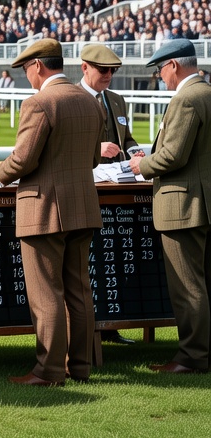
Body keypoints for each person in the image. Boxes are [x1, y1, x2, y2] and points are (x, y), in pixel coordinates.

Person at [0, 38, 103, 386]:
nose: (28, 77)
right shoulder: (89, 101)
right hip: (83, 206)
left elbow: (23, 159)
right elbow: (94, 159)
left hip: (43, 210)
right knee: (79, 290)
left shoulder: (39, 102)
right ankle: (79, 367)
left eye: (27, 70)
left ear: (38, 65)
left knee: (46, 294)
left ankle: (49, 371)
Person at [130, 40, 211, 374]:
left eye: (160, 70)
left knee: (187, 288)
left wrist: (141, 166)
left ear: (174, 65)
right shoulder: (206, 92)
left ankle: (192, 358)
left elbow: (173, 155)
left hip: (182, 204)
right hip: (202, 202)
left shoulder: (187, 98)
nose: (160, 78)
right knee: (202, 284)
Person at [78, 44, 146, 346]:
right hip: (85, 187)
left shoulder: (117, 100)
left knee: (114, 260)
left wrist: (135, 151)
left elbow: (126, 137)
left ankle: (111, 324)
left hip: (117, 187)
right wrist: (96, 149)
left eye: (112, 71)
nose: (108, 76)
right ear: (85, 68)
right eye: (103, 70)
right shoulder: (73, 99)